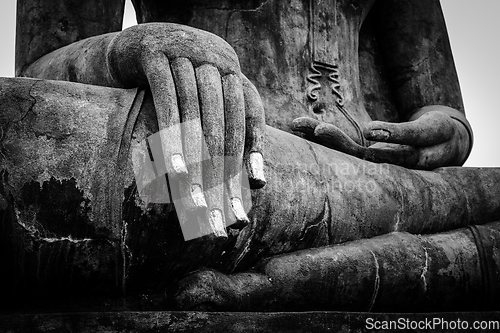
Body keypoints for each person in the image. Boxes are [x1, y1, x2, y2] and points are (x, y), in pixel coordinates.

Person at [5, 0, 497, 311]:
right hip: (214, 156)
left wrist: (436, 133)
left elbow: (446, 114)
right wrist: (120, 52)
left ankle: (281, 277)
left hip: (371, 171)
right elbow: (34, 92)